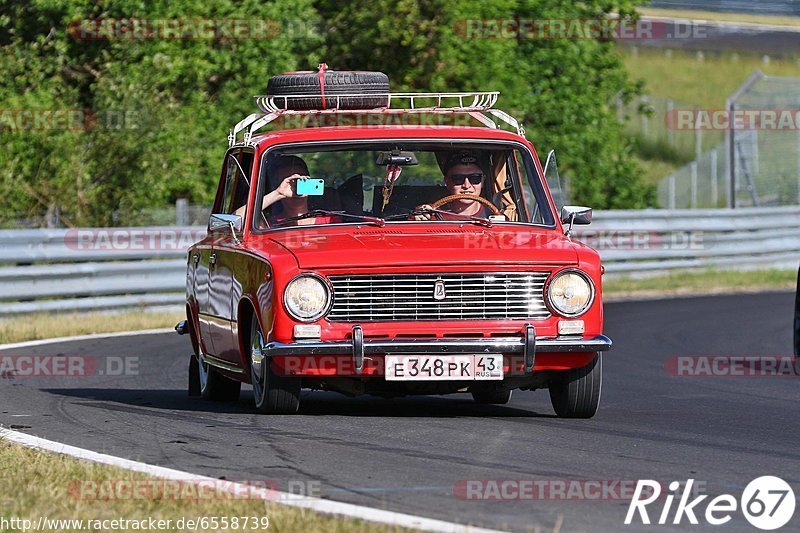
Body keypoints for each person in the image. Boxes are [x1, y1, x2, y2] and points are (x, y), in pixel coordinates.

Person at [237, 155, 337, 226]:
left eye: (300, 181)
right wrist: (278, 193)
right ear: (278, 185)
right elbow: (237, 219)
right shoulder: (269, 224)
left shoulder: (329, 221)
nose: (295, 187)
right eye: (289, 182)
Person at [414, 150, 493, 220]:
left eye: (475, 178)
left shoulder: (494, 216)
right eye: (458, 178)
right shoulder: (432, 213)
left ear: (482, 181)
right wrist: (419, 215)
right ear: (447, 182)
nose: (466, 185)